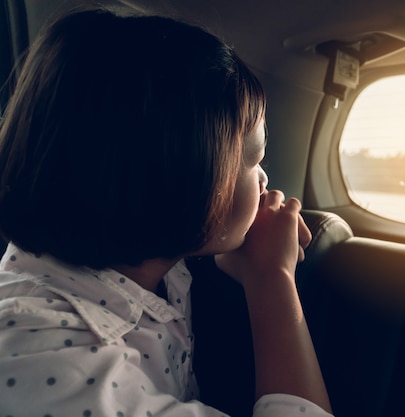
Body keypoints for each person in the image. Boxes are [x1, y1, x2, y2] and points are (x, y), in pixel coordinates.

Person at [0, 7, 333, 417]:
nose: (265, 181)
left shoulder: (151, 263)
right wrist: (272, 278)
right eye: (254, 160)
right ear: (184, 171)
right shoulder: (52, 365)